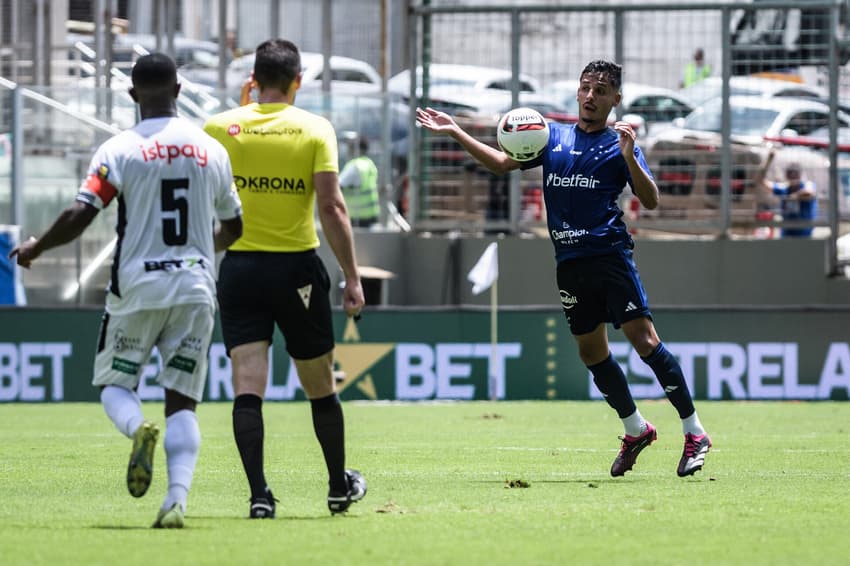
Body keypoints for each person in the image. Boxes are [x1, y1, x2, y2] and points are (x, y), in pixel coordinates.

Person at [416, 60, 711, 478]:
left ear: (615, 100)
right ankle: (636, 430)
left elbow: (651, 200)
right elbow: (502, 163)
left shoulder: (618, 144)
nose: (591, 96)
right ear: (577, 92)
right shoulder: (550, 137)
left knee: (644, 341)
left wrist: (629, 157)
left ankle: (694, 431)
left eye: (602, 90)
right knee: (591, 352)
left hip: (609, 258)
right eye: (586, 88)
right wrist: (457, 132)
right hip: (569, 264)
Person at [8, 53, 244, 527]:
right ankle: (176, 500)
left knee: (115, 385)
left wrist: (38, 246)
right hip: (196, 289)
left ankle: (139, 429)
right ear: (179, 90)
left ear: (132, 95)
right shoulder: (212, 150)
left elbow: (82, 213)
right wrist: (199, 249)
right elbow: (234, 227)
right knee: (183, 400)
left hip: (137, 288)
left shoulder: (118, 150)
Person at [203, 38, 367, 518]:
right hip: (297, 269)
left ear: (253, 80)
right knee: (319, 386)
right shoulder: (315, 128)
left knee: (247, 384)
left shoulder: (217, 127)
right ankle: (338, 488)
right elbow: (332, 207)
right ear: (297, 81)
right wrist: (352, 277)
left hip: (240, 268)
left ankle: (259, 496)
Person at [755, 152, 817, 238]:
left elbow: (809, 192)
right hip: (786, 235)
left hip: (804, 236)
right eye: (790, 174)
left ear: (799, 175)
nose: (792, 177)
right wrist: (768, 161)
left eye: (795, 174)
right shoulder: (784, 189)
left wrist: (795, 196)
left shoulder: (808, 185)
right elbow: (760, 181)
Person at [339, 135, 380, 228]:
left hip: (356, 218)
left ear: (356, 149)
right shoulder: (369, 164)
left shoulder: (355, 166)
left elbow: (337, 186)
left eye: (350, 147)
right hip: (371, 215)